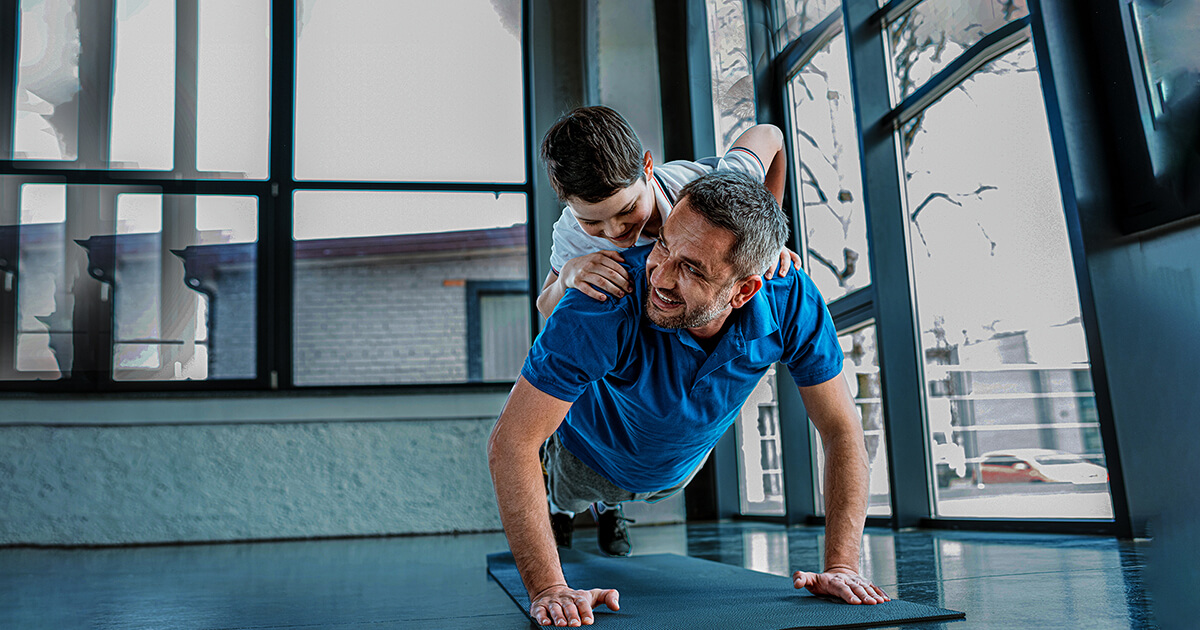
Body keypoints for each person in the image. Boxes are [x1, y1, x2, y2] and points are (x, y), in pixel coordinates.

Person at [488, 171, 888, 627]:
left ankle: (610, 507)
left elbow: (840, 428)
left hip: (679, 467)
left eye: (693, 268)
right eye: (663, 246)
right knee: (566, 494)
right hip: (589, 461)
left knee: (659, 468)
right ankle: (574, 505)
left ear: (744, 290)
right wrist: (549, 588)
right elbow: (510, 442)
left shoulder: (789, 299)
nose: (660, 276)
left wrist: (841, 565)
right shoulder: (602, 302)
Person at [536, 105, 799, 319]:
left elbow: (771, 136)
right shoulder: (572, 233)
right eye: (591, 221)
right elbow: (545, 307)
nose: (615, 230)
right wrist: (567, 276)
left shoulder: (719, 189)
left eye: (627, 209)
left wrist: (765, 238)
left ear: (647, 167)